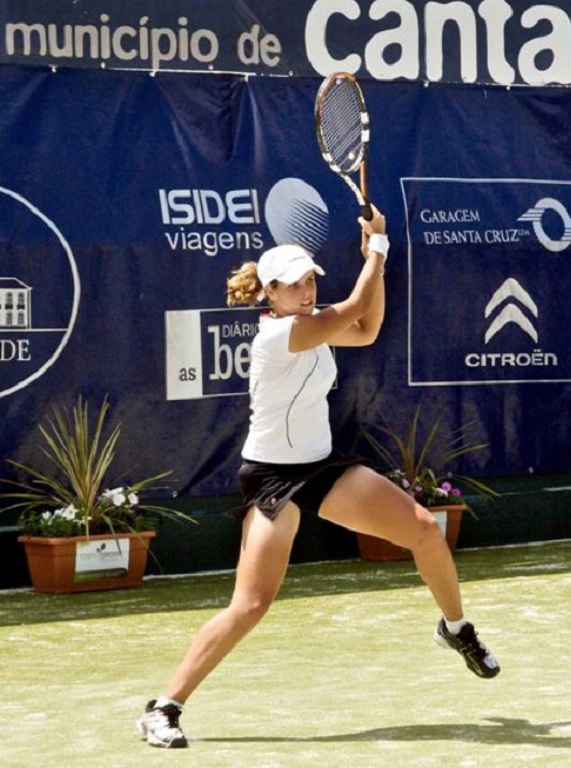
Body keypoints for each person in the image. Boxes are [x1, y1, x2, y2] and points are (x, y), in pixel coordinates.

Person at [138, 207, 499, 750]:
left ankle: (455, 629)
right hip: (272, 478)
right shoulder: (277, 337)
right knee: (252, 604)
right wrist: (376, 249)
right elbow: (354, 305)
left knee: (425, 529)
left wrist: (373, 260)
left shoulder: (312, 324)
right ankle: (164, 707)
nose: (306, 290)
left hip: (321, 466)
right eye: (295, 284)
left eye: (310, 280)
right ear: (271, 294)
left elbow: (367, 326)